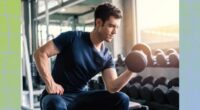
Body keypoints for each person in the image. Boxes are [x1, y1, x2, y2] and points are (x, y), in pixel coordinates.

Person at [34, 2, 137, 110]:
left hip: (81, 97)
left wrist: (132, 70)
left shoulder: (106, 56)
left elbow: (112, 87)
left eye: (117, 27)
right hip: (57, 96)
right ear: (98, 22)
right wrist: (50, 83)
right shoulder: (72, 38)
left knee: (122, 98)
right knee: (55, 105)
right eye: (111, 26)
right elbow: (40, 53)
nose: (115, 31)